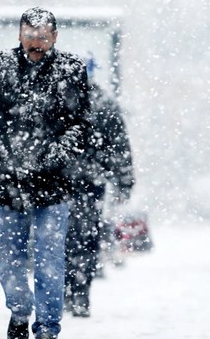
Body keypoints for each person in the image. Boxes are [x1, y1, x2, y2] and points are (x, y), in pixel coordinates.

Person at [0, 7, 90, 339]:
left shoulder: (71, 69)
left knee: (50, 260)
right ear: (19, 34)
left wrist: (58, 152)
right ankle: (20, 311)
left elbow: (81, 122)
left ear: (55, 36)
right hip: (9, 180)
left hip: (54, 181)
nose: (36, 43)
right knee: (9, 261)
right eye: (30, 35)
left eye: (43, 36)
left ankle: (49, 327)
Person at [64, 56, 135, 318]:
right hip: (90, 184)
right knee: (86, 237)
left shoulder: (59, 100)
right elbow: (120, 147)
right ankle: (80, 290)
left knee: (60, 238)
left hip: (60, 183)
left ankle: (64, 290)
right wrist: (123, 181)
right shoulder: (104, 103)